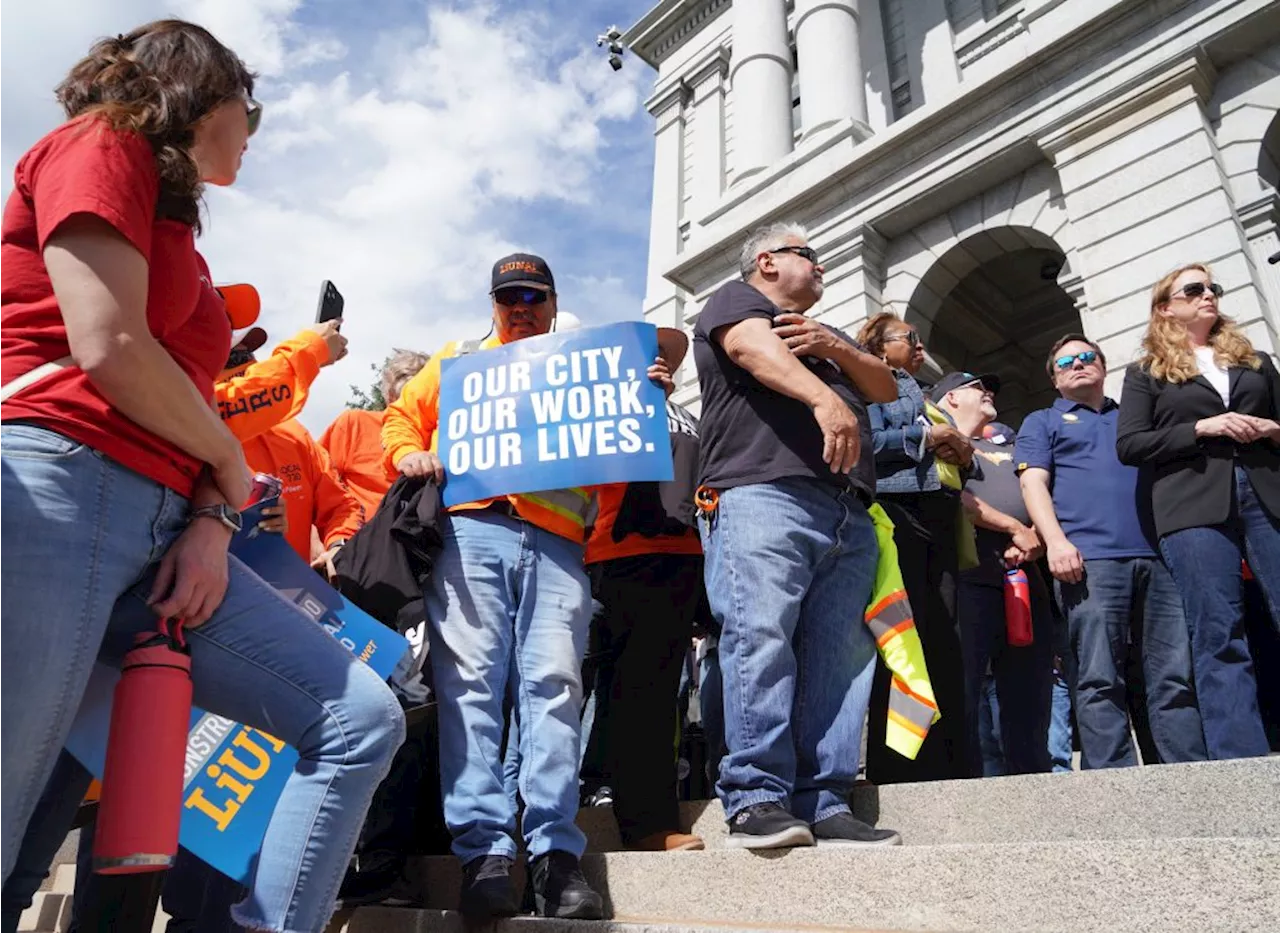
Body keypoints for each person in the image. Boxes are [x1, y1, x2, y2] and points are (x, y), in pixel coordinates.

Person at [0, 23, 403, 933]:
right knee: (10, 834)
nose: (254, 132)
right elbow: (107, 344)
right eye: (249, 110)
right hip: (53, 486)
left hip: (165, 532)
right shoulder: (104, 143)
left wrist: (215, 520)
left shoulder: (179, 227)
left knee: (359, 720)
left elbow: (184, 397)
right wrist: (227, 467)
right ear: (201, 95)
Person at [381, 253, 671, 919]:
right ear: (492, 303)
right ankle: (484, 856)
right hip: (472, 536)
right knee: (472, 690)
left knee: (554, 692)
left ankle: (554, 860)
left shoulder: (588, 366)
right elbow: (399, 419)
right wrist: (408, 455)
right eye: (508, 296)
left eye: (533, 296)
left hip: (560, 546)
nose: (521, 308)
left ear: (552, 301)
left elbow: (623, 456)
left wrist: (643, 396)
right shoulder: (458, 358)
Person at [693, 222, 901, 849]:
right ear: (767, 261)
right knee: (761, 636)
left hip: (845, 510)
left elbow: (886, 387)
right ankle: (756, 796)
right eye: (809, 255)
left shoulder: (825, 334)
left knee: (840, 656)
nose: (822, 267)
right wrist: (824, 398)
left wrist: (837, 351)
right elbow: (754, 350)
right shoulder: (738, 300)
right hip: (762, 493)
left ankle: (826, 798)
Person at [1017, 334, 1205, 769]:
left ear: (1103, 365)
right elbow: (1032, 483)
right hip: (1089, 562)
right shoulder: (1042, 421)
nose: (1078, 365)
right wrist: (1056, 541)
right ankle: (1113, 785)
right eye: (1066, 363)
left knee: (1174, 677)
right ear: (1054, 379)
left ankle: (1189, 775)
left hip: (1158, 558)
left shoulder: (1134, 420)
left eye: (1087, 357)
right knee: (1100, 678)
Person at [1117, 263, 1280, 760]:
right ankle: (1243, 761)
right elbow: (1130, 444)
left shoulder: (1256, 362)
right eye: (1195, 289)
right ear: (1167, 306)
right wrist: (1203, 429)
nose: (1208, 295)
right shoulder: (1146, 373)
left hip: (1267, 493)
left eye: (1213, 288)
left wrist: (1270, 429)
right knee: (1218, 631)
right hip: (1191, 507)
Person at [580, 328, 706, 853]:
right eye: (642, 357)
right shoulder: (596, 413)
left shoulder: (692, 419)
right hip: (603, 557)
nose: (656, 364)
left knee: (651, 696)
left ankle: (648, 822)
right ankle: (537, 818)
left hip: (677, 562)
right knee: (567, 692)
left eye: (662, 358)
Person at [858, 313, 973, 782]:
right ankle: (900, 764)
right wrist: (927, 435)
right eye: (910, 338)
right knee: (904, 637)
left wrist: (960, 448)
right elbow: (867, 441)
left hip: (939, 516)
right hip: (897, 512)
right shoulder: (871, 382)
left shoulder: (918, 391)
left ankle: (950, 758)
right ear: (880, 346)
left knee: (943, 636)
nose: (920, 345)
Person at [931, 373, 1053, 776]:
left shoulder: (1012, 445)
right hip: (968, 580)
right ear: (951, 397)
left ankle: (1033, 779)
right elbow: (958, 498)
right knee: (965, 689)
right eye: (976, 386)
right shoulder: (940, 440)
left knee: (1029, 691)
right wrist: (1015, 528)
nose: (988, 393)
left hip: (1023, 577)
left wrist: (1036, 537)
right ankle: (967, 784)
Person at [320, 349, 428, 519]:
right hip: (359, 538)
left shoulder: (442, 435)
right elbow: (313, 483)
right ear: (390, 397)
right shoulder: (354, 424)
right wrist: (316, 543)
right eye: (407, 396)